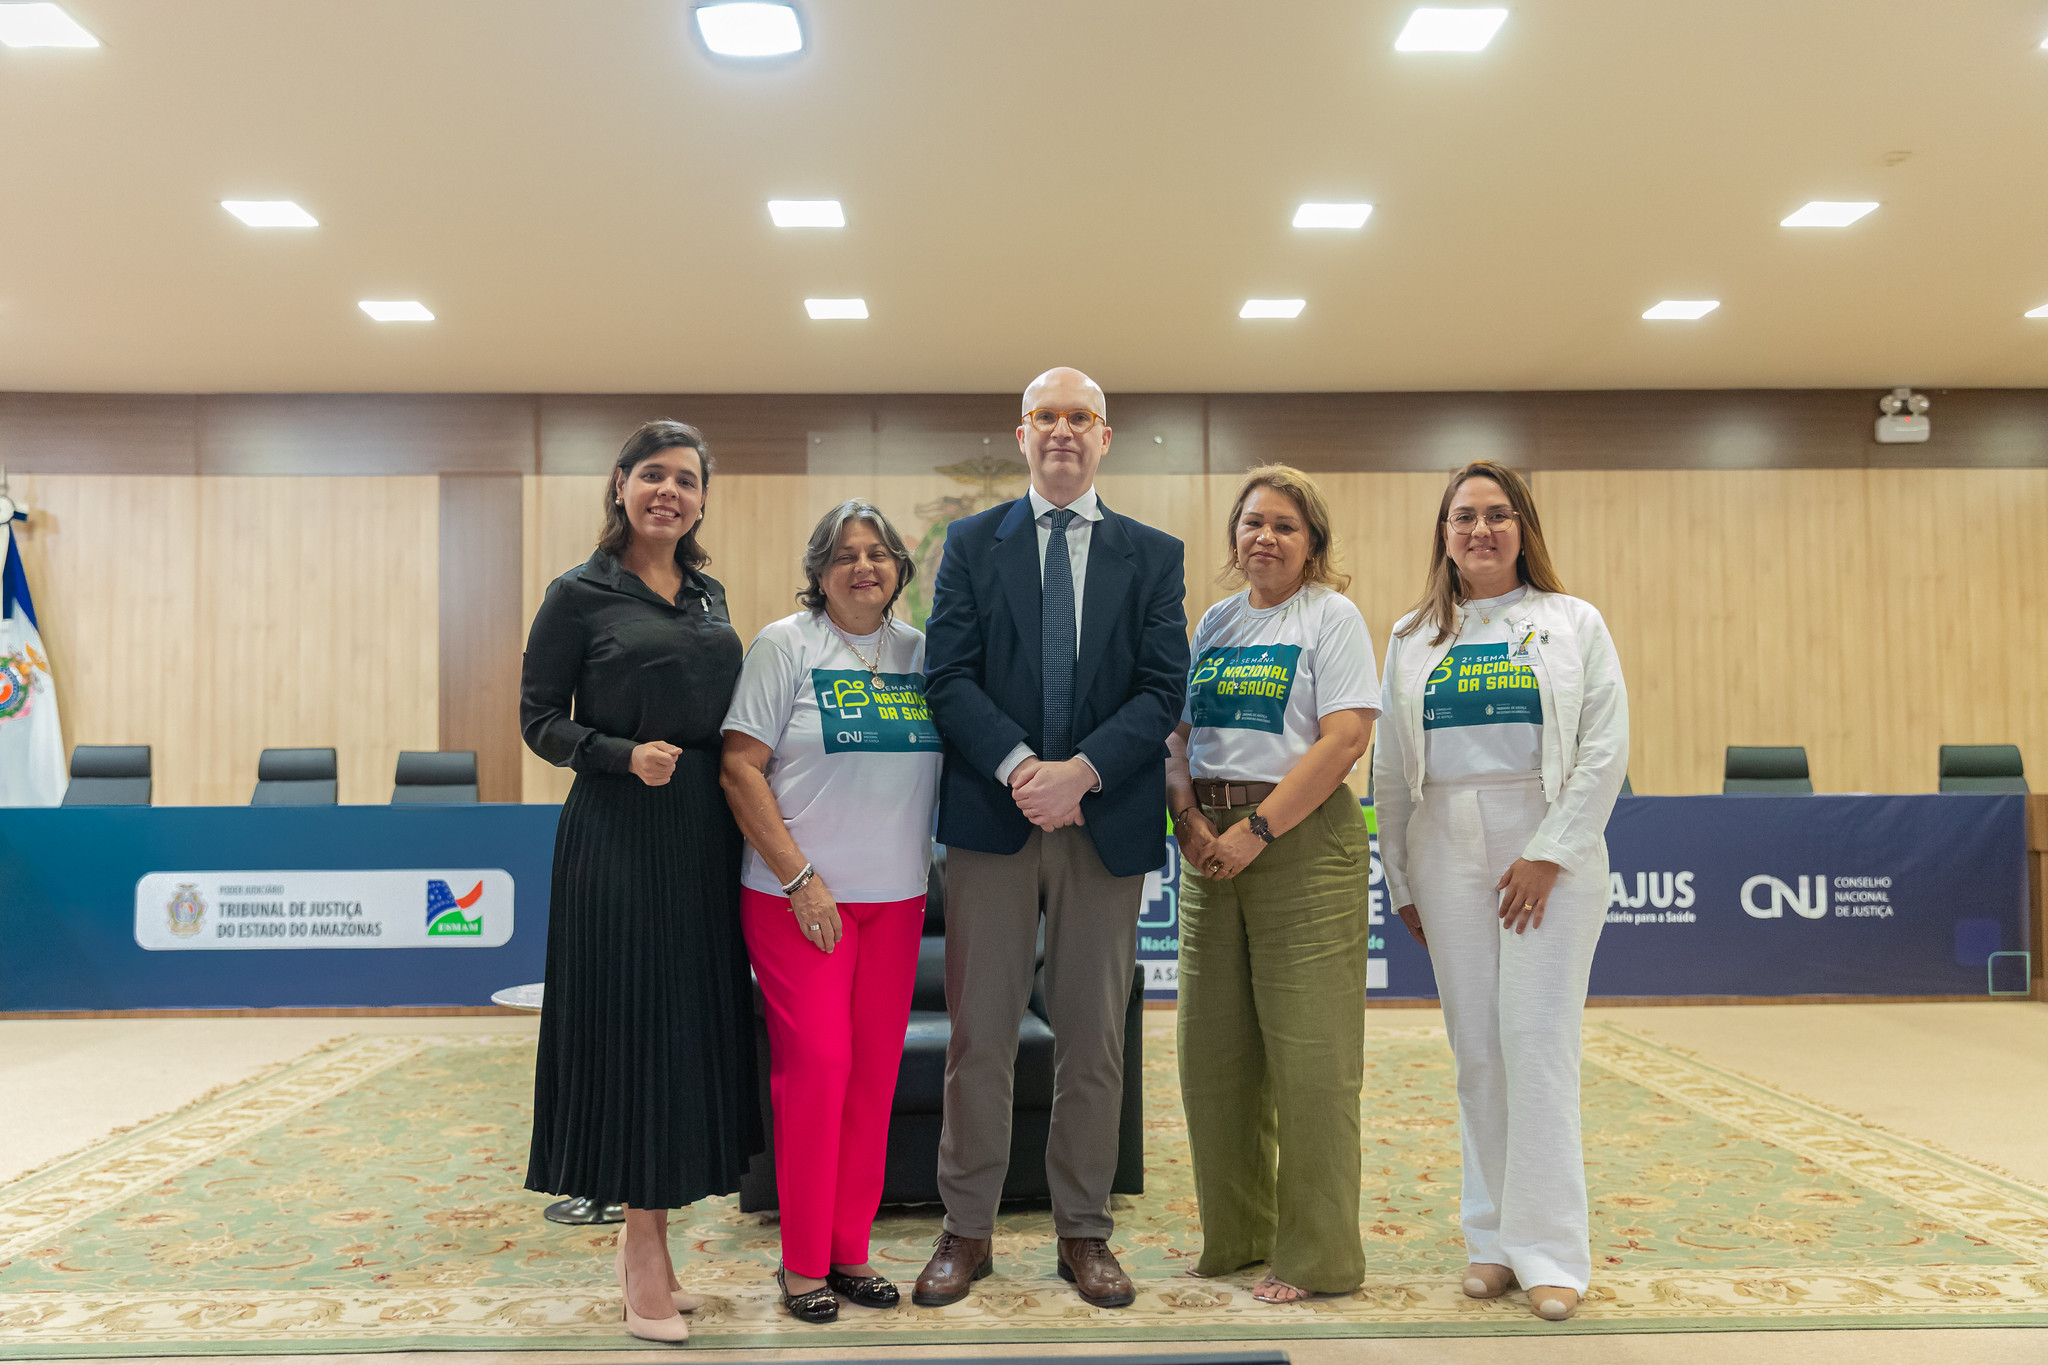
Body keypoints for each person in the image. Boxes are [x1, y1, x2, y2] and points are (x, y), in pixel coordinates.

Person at [916, 367, 1188, 1309]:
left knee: (1094, 1041)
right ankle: (968, 1228)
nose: (1064, 431)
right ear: (1022, 434)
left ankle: (1085, 1232)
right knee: (979, 1039)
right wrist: (1023, 769)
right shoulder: (968, 545)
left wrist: (1082, 774)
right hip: (996, 822)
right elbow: (946, 676)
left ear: (1105, 437)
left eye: (1082, 417)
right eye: (1048, 416)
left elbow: (1163, 689)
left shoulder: (1152, 555)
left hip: (1103, 822)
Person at [1372, 459, 1628, 1322]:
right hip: (1444, 844)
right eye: (1462, 517)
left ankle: (1552, 1249)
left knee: (1537, 1042)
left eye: (1496, 514)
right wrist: (1402, 877)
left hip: (1545, 838)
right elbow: (1394, 771)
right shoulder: (1411, 635)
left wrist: (1548, 850)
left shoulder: (1573, 622)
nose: (1479, 530)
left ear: (1523, 527)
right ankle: (1490, 1239)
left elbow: (1604, 747)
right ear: (1442, 535)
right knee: (1477, 1050)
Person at [519, 420, 758, 1345]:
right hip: (617, 832)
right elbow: (539, 721)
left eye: (687, 479)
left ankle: (663, 1235)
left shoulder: (708, 593)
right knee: (630, 1028)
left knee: (689, 1024)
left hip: (703, 830)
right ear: (619, 485)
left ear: (702, 497)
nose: (670, 491)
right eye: (652, 475)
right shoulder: (577, 595)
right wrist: (618, 754)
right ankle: (641, 1250)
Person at [719, 501, 939, 1324]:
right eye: (845, 554)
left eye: (879, 553)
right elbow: (741, 769)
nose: (864, 567)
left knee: (874, 1077)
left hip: (897, 898)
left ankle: (851, 1250)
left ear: (898, 570)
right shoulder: (786, 644)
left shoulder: (921, 652)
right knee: (817, 1071)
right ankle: (802, 1261)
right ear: (818, 571)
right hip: (796, 899)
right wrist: (801, 877)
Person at [1165, 465, 1380, 1303]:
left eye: (1286, 525)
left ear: (1313, 542)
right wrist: (1189, 822)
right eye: (1253, 523)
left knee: (1313, 1059)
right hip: (1210, 845)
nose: (1266, 537)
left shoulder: (1332, 616)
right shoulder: (1215, 622)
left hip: (1298, 841)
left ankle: (1318, 1254)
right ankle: (1239, 1233)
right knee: (1211, 1057)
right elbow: (1177, 736)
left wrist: (1257, 831)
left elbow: (1344, 738)